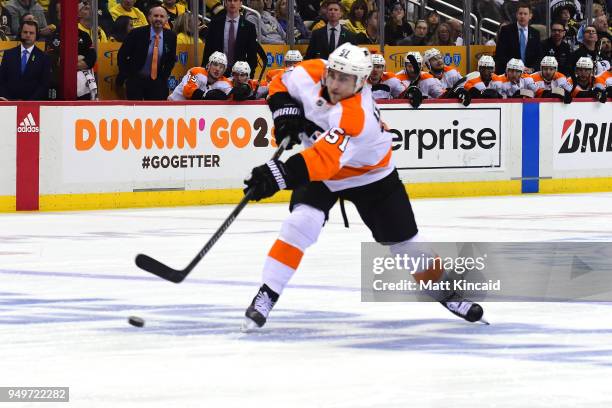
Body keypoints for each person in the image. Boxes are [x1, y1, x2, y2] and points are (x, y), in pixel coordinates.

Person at [241, 43, 486, 331]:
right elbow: (279, 82)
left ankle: (445, 292)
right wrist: (284, 113)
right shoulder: (311, 72)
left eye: (344, 79)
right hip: (325, 173)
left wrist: (276, 175)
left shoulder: (357, 115)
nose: (334, 83)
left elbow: (325, 160)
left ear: (361, 82)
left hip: (371, 176)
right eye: (333, 74)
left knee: (408, 247)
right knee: (300, 223)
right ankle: (267, 293)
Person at [117, 6, 177, 100]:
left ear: (166, 19)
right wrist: (127, 75)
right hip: (136, 80)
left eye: (162, 16)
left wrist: (164, 76)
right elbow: (122, 55)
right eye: (155, 16)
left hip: (157, 81)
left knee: (157, 112)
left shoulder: (171, 36)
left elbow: (171, 59)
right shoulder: (136, 33)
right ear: (149, 18)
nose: (158, 19)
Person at [202, 0, 258, 77]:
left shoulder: (249, 27)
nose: (232, 3)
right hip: (217, 72)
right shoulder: (215, 24)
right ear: (225, 3)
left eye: (235, 0)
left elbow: (252, 57)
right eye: (229, 0)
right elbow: (207, 51)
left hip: (239, 75)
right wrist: (205, 72)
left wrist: (248, 77)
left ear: (241, 3)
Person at [0, 20, 50, 101]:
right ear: (20, 33)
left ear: (36, 35)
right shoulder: (8, 54)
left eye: (31, 33)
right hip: (9, 104)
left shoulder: (43, 57)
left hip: (32, 106)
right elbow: (2, 80)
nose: (28, 35)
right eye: (25, 32)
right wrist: (9, 100)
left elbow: (44, 85)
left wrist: (28, 102)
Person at [494, 2, 542, 74]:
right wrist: (517, 67)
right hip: (509, 72)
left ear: (530, 16)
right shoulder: (506, 30)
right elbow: (500, 54)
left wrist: (532, 69)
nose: (522, 16)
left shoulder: (535, 33)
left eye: (525, 14)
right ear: (516, 15)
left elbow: (539, 56)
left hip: (528, 74)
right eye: (520, 13)